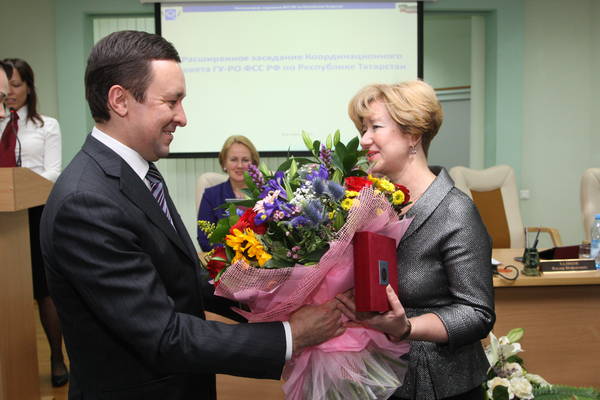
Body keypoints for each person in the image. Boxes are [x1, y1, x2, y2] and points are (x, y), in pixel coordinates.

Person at [40, 30, 344, 400]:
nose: (182, 118)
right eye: (171, 102)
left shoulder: (139, 174)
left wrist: (279, 299)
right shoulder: (86, 202)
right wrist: (290, 336)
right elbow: (163, 335)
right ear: (120, 100)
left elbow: (186, 280)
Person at [337, 80, 496, 400]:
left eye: (375, 127)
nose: (364, 140)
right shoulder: (369, 203)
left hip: (438, 384)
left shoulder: (455, 210)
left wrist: (407, 327)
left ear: (412, 135)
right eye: (363, 129)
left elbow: (477, 313)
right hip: (376, 374)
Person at [0, 58, 67, 387]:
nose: (11, 92)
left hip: (37, 212)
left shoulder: (46, 125)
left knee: (45, 290)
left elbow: (53, 171)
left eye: (16, 85)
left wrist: (23, 186)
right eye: (5, 87)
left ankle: (56, 357)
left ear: (29, 87)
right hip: (4, 216)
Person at [197, 135, 259, 251]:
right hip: (226, 259)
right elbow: (204, 240)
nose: (240, 165)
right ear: (224, 163)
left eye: (245, 160)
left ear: (253, 164)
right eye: (233, 160)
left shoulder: (265, 194)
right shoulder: (211, 195)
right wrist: (235, 251)